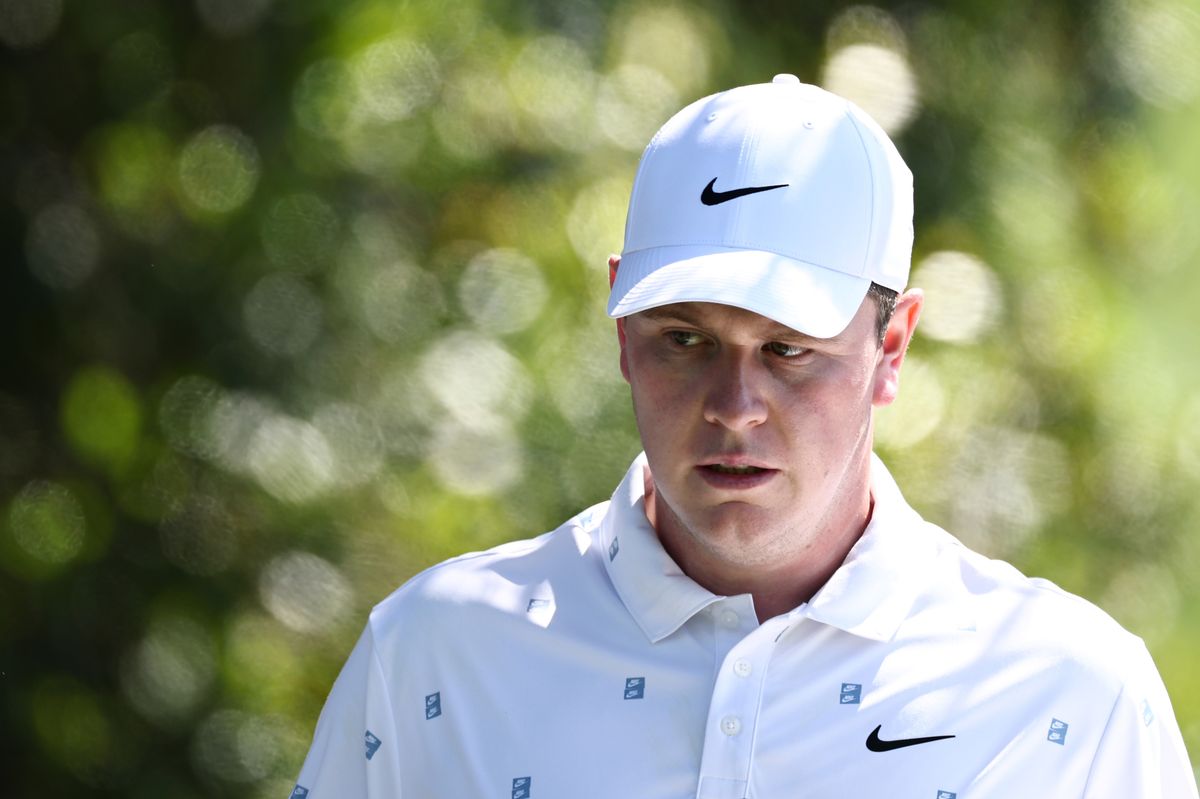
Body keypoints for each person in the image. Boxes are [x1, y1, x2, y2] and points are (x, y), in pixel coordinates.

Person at [290, 75, 1197, 798]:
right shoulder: (434, 653)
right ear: (619, 329)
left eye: (789, 350)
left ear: (891, 346)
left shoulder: (1069, 695)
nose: (734, 405)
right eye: (684, 340)